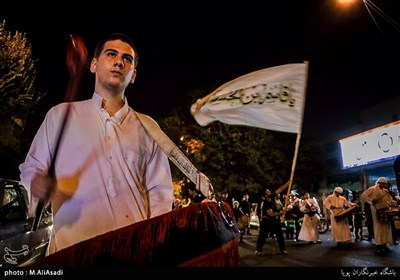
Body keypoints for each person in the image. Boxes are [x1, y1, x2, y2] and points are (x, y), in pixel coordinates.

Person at [19, 33, 174, 254]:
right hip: (70, 250)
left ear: (134, 75)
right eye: (111, 54)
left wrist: (154, 244)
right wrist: (36, 185)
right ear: (93, 65)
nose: (119, 61)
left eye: (127, 59)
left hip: (132, 252)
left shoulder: (148, 127)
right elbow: (32, 168)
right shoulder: (60, 115)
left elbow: (160, 192)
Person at [361, 177, 397, 255]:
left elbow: (390, 200)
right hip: (376, 210)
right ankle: (379, 246)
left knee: (386, 227)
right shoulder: (372, 189)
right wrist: (371, 201)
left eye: (385, 184)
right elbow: (363, 196)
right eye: (383, 183)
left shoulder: (385, 191)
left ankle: (385, 244)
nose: (384, 185)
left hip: (385, 210)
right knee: (379, 227)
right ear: (378, 183)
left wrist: (396, 202)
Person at [255, 188, 287, 255]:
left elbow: (280, 189)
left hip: (275, 221)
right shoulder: (265, 203)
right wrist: (281, 213)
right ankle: (258, 250)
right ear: (265, 194)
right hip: (266, 221)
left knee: (280, 235)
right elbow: (271, 214)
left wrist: (289, 182)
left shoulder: (272, 199)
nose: (269, 191)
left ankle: (282, 249)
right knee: (262, 236)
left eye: (269, 190)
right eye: (267, 191)